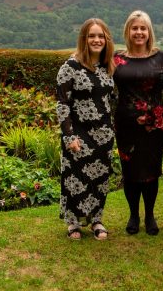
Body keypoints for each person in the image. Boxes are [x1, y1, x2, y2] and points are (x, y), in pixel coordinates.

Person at [56, 18, 116, 241]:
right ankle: (73, 223)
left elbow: (112, 101)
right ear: (84, 39)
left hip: (104, 136)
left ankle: (96, 220)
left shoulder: (108, 66)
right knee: (75, 179)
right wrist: (68, 135)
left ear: (106, 40)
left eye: (101, 36)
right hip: (78, 134)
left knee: (99, 181)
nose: (96, 40)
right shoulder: (70, 67)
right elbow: (62, 103)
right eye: (92, 36)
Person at [113, 10, 163, 236]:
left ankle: (150, 215)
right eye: (134, 28)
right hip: (126, 125)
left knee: (151, 170)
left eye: (143, 28)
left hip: (154, 126)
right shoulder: (115, 58)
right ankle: (133, 215)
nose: (139, 32)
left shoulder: (160, 58)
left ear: (149, 32)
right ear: (128, 31)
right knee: (130, 170)